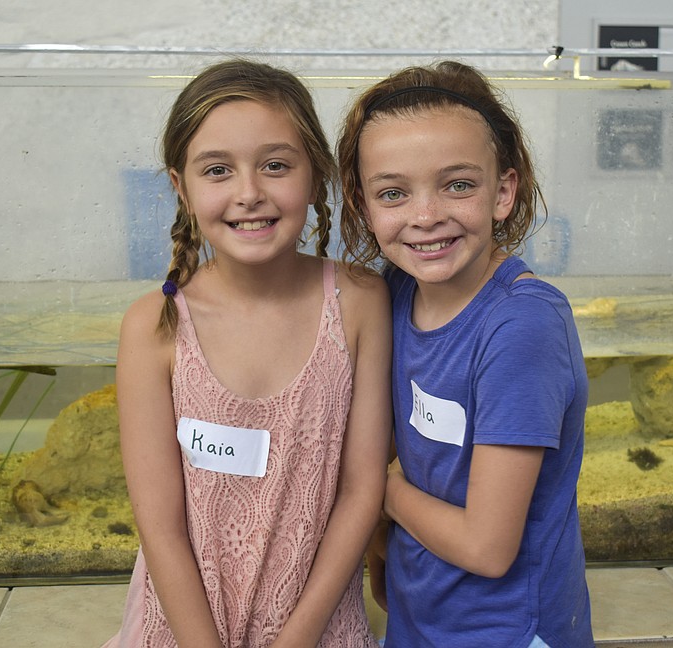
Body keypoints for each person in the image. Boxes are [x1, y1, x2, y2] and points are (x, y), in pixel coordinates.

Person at [102, 59, 391, 648]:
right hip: (186, 625)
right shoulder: (152, 328)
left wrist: (298, 638)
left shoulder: (361, 302)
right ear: (181, 187)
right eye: (217, 170)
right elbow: (160, 528)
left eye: (276, 165)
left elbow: (362, 491)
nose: (249, 193)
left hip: (318, 624)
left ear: (315, 177)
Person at [337, 60, 594, 648]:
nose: (425, 216)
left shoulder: (521, 326)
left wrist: (380, 489)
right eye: (394, 192)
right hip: (420, 612)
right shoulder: (398, 288)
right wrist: (382, 552)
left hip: (508, 632)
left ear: (503, 191)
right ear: (363, 204)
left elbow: (487, 546)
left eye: (457, 184)